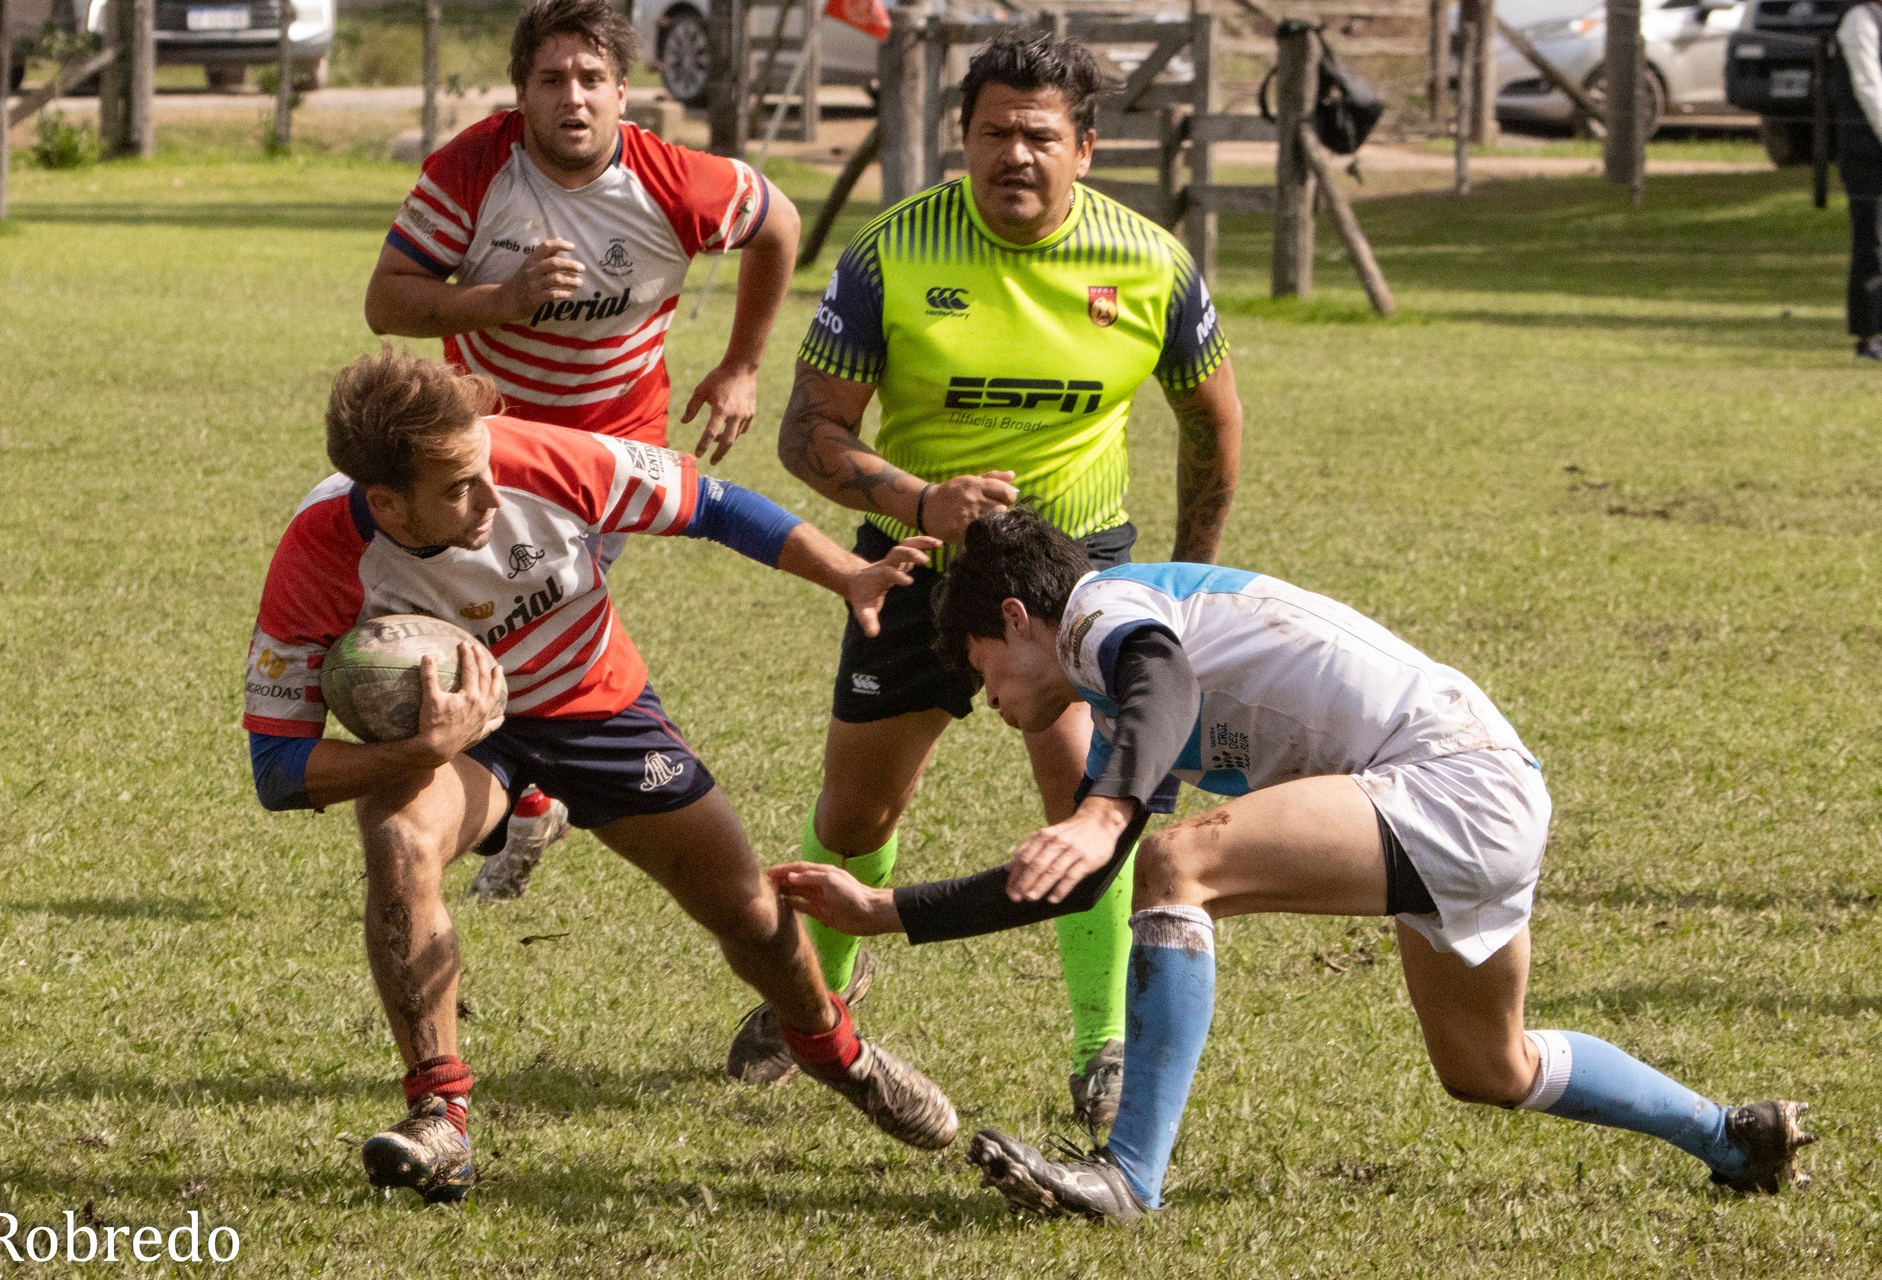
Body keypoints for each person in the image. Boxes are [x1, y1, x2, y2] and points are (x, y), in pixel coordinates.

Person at [770, 509, 1817, 1221]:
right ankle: (1731, 1137)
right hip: (1482, 789)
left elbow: (1161, 675)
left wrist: (1106, 809)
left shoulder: (1098, 611)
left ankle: (1128, 1175)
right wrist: (887, 910)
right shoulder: (1122, 700)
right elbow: (1086, 877)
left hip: (1449, 781)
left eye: (982, 670)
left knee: (1178, 860)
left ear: (1015, 619)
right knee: (1487, 1066)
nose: (990, 699)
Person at [241, 349, 957, 1205]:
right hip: (465, 745)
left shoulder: (535, 457)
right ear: (387, 502)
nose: (493, 495)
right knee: (399, 839)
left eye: (486, 464)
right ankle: (440, 1115)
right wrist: (421, 751)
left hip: (595, 703)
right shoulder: (319, 551)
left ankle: (836, 1051)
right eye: (461, 487)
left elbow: (712, 504)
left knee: (749, 913)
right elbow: (278, 768)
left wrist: (845, 572)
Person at [732, 31, 1244, 1132]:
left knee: (1086, 803)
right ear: (961, 138)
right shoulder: (891, 253)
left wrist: (1188, 577)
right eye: (993, 132)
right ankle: (813, 1006)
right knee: (855, 810)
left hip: (1076, 577)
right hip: (914, 565)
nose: (1015, 154)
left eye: (1040, 136)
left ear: (1085, 148)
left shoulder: (1150, 262)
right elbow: (807, 430)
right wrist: (924, 501)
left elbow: (1211, 423)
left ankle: (1101, 1040)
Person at [366, 0, 803, 897]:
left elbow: (780, 224)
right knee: (485, 623)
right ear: (521, 94)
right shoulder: (473, 170)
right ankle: (528, 798)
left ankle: (526, 789)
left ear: (622, 92)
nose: (574, 97)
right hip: (484, 449)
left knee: (528, 620)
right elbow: (388, 301)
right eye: (553, 79)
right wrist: (500, 301)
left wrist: (743, 366)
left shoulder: (672, 182)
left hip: (609, 450)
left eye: (592, 79)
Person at [1831, 0, 1882, 360]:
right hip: (1867, 151)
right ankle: (1870, 336)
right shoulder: (1859, 19)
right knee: (1874, 241)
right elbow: (1868, 86)